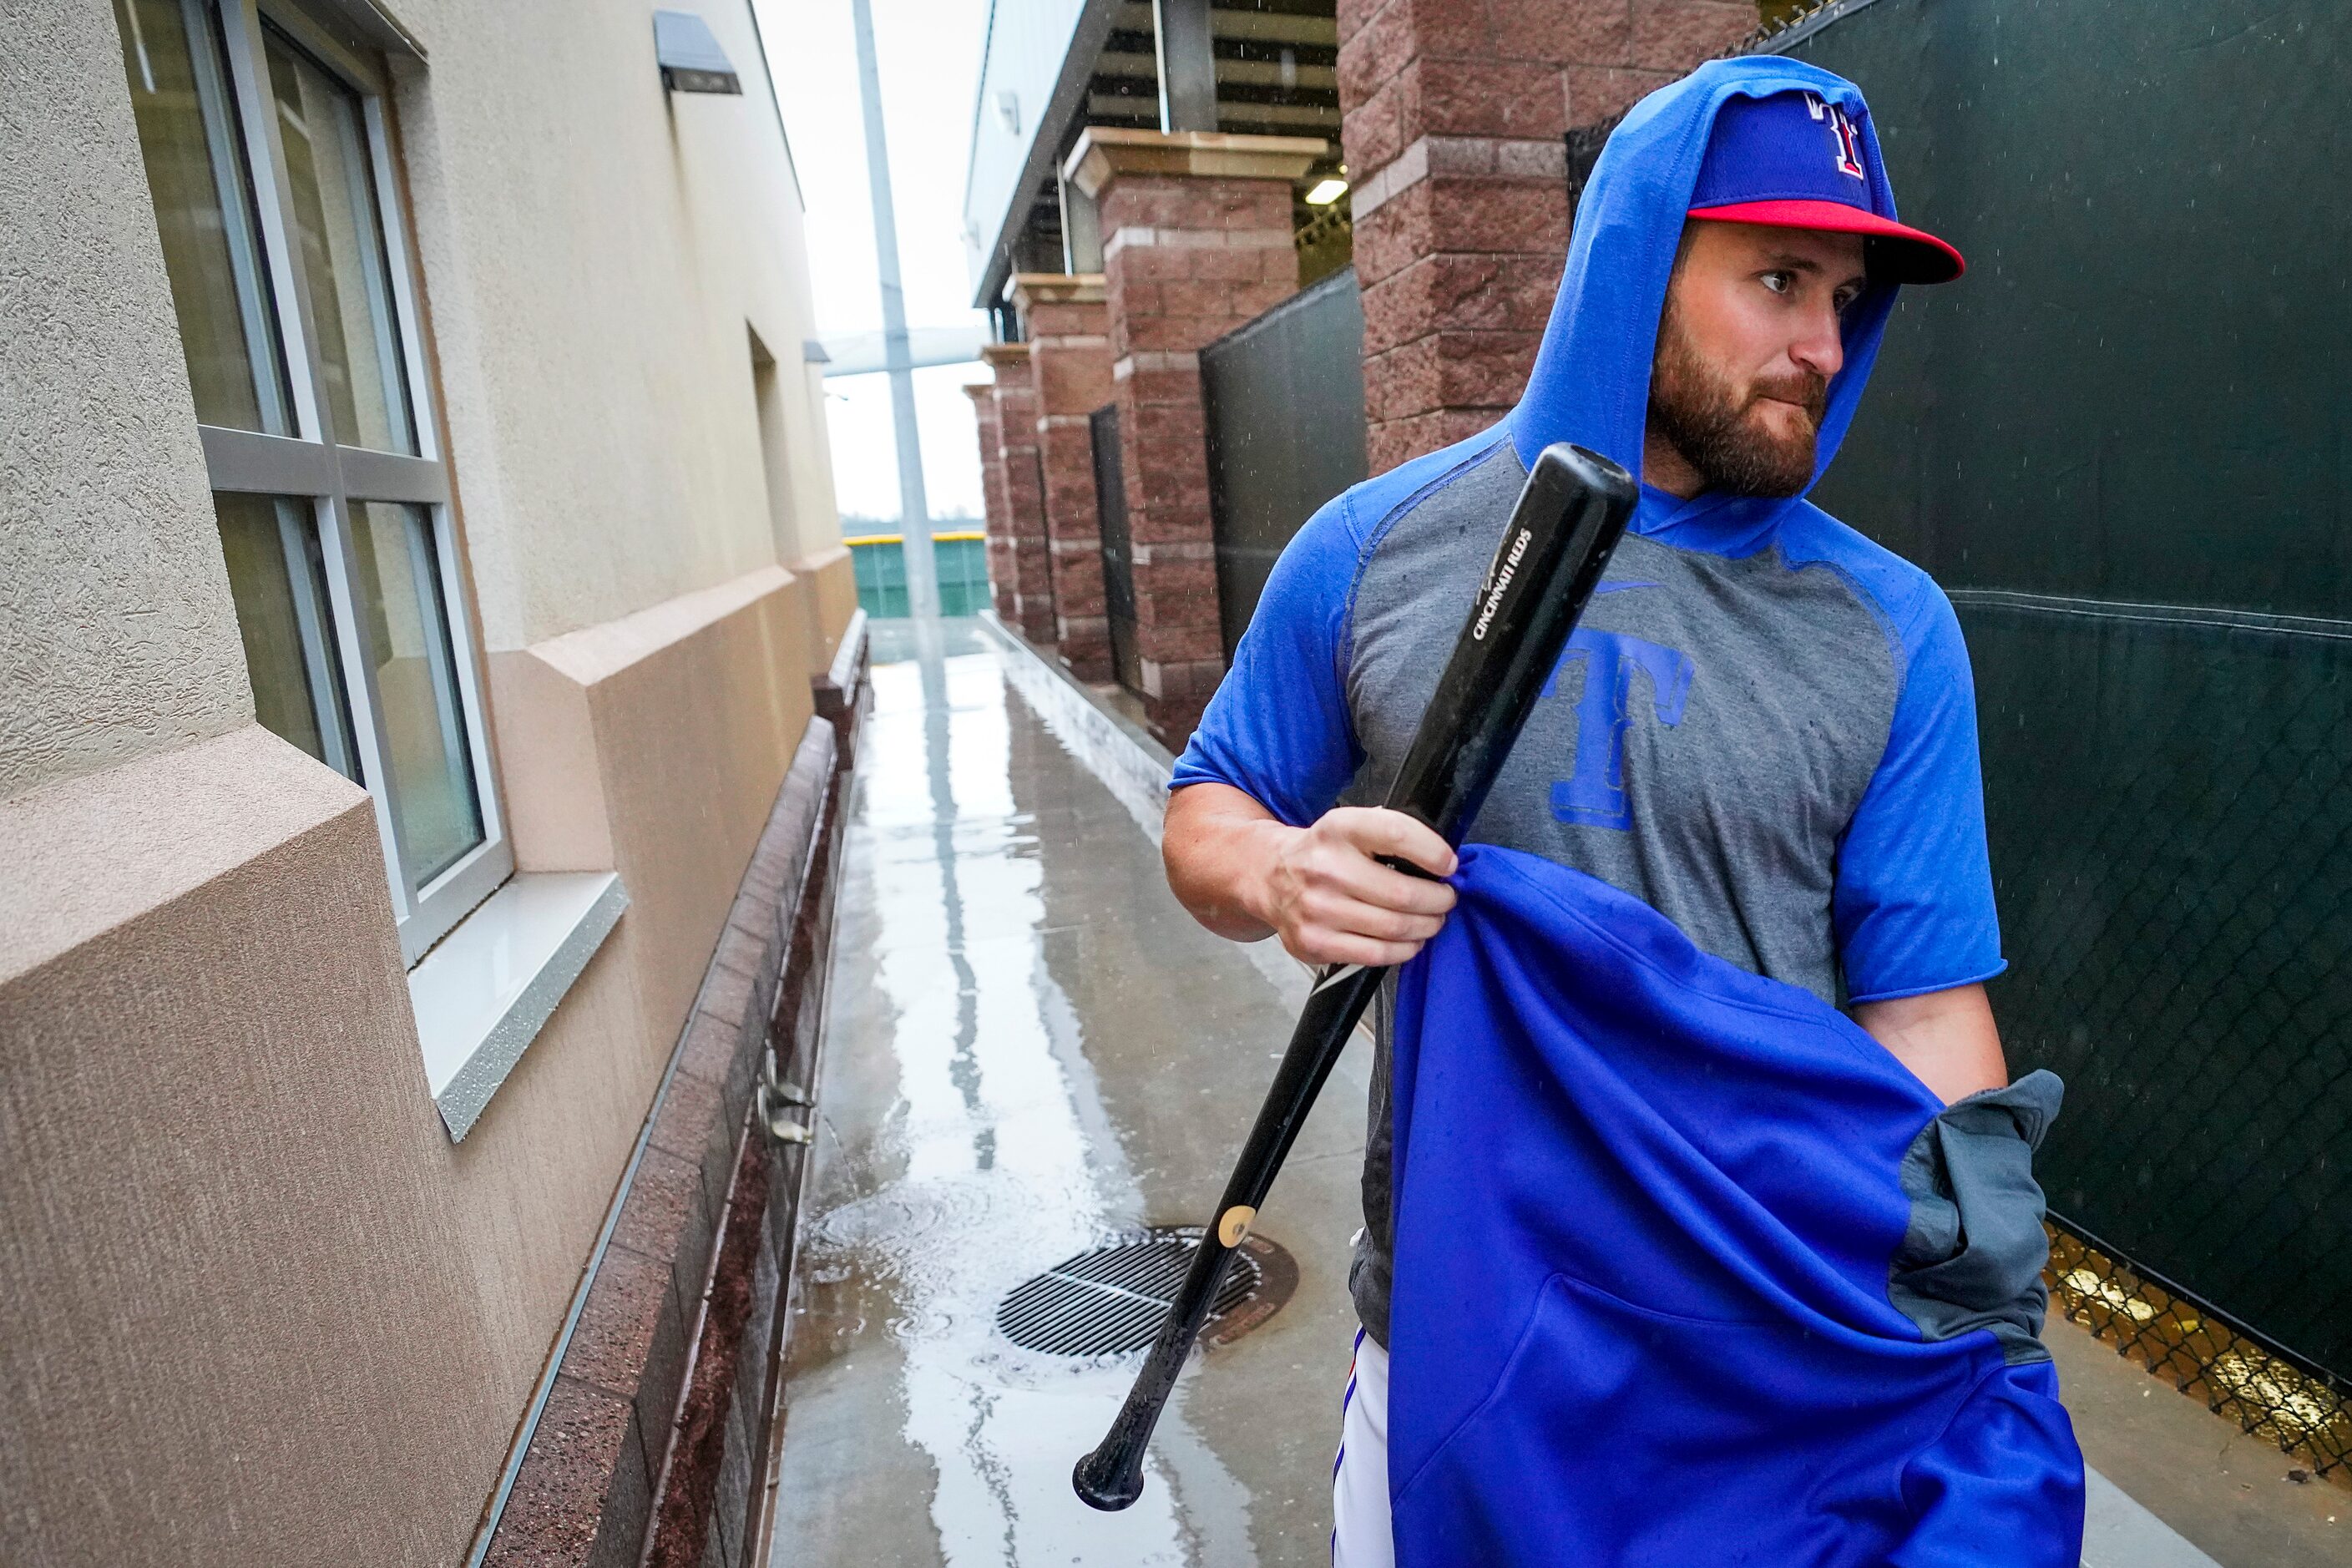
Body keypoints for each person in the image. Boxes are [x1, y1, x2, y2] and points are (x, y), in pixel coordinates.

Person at [1163, 57, 2077, 1565]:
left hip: (1769, 1350)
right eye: (1776, 278)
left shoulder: (1890, 626)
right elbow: (1208, 809)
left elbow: (1921, 1013)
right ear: (1634, 261)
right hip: (1461, 1323)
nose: (1819, 344)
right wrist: (1280, 873)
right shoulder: (1377, 548)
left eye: (1844, 298)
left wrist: (1975, 1317)